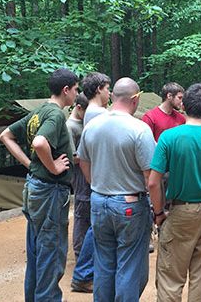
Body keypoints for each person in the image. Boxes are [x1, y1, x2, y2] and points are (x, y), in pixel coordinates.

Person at [0, 68, 79, 302]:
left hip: (34, 188)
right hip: (50, 192)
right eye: (75, 89)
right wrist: (53, 167)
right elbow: (40, 142)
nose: (76, 94)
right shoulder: (54, 115)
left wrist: (30, 165)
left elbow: (5, 135)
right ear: (66, 90)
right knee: (51, 254)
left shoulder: (38, 112)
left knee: (36, 251)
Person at [77, 77, 156, 302]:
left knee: (103, 263)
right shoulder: (139, 129)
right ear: (136, 99)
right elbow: (150, 175)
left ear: (112, 97)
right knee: (130, 266)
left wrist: (97, 185)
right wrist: (157, 208)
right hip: (130, 204)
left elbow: (83, 160)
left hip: (99, 201)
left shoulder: (91, 125)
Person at [149, 83, 201, 302]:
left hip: (180, 210)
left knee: (170, 276)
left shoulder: (168, 137)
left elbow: (154, 183)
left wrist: (158, 213)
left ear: (183, 105)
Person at [70, 72, 112, 293]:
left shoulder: (93, 112)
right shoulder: (98, 114)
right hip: (98, 177)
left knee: (96, 226)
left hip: (96, 175)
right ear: (98, 89)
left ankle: (86, 272)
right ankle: (83, 274)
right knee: (95, 227)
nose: (109, 92)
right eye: (107, 88)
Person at [66, 93, 89, 259]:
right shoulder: (70, 126)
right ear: (78, 108)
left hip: (90, 172)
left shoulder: (85, 121)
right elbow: (71, 157)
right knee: (81, 213)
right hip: (79, 175)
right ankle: (79, 252)